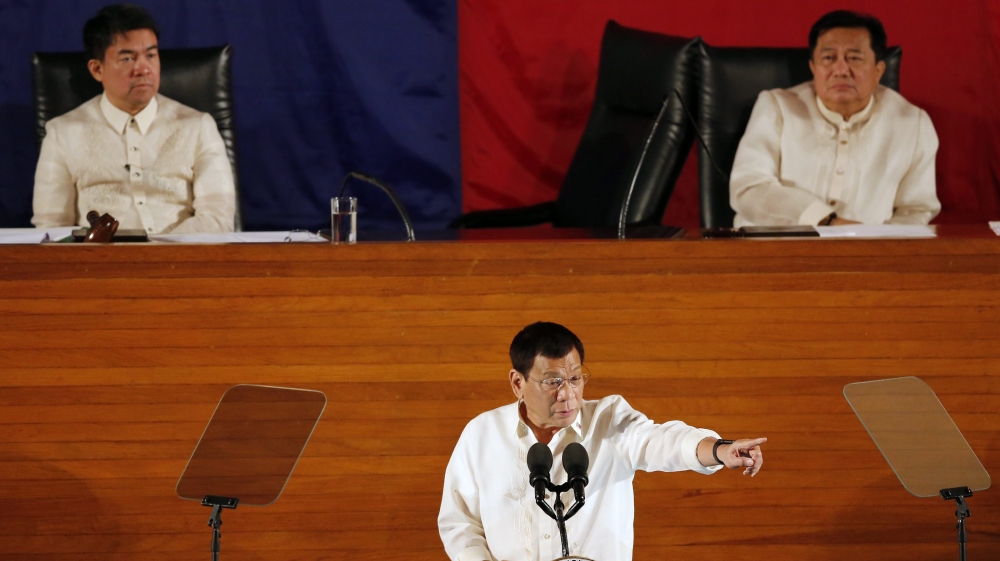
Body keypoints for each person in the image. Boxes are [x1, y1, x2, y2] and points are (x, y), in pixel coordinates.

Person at [438, 322, 766, 561]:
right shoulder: (482, 434)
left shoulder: (610, 420)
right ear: (517, 383)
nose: (567, 394)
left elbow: (663, 441)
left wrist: (720, 450)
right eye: (553, 381)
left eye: (575, 378)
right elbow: (459, 522)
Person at [32, 4, 235, 234]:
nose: (143, 69)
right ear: (97, 69)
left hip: (182, 254)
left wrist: (158, 250)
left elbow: (217, 219)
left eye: (151, 55)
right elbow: (51, 228)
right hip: (100, 256)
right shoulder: (62, 133)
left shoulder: (198, 126)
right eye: (128, 58)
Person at [729, 10, 940, 227]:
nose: (840, 70)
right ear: (813, 67)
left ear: (878, 70)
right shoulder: (777, 108)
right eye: (828, 58)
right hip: (773, 245)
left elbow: (916, 209)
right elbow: (748, 188)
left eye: (854, 58)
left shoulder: (912, 124)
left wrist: (878, 244)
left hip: (866, 248)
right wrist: (825, 220)